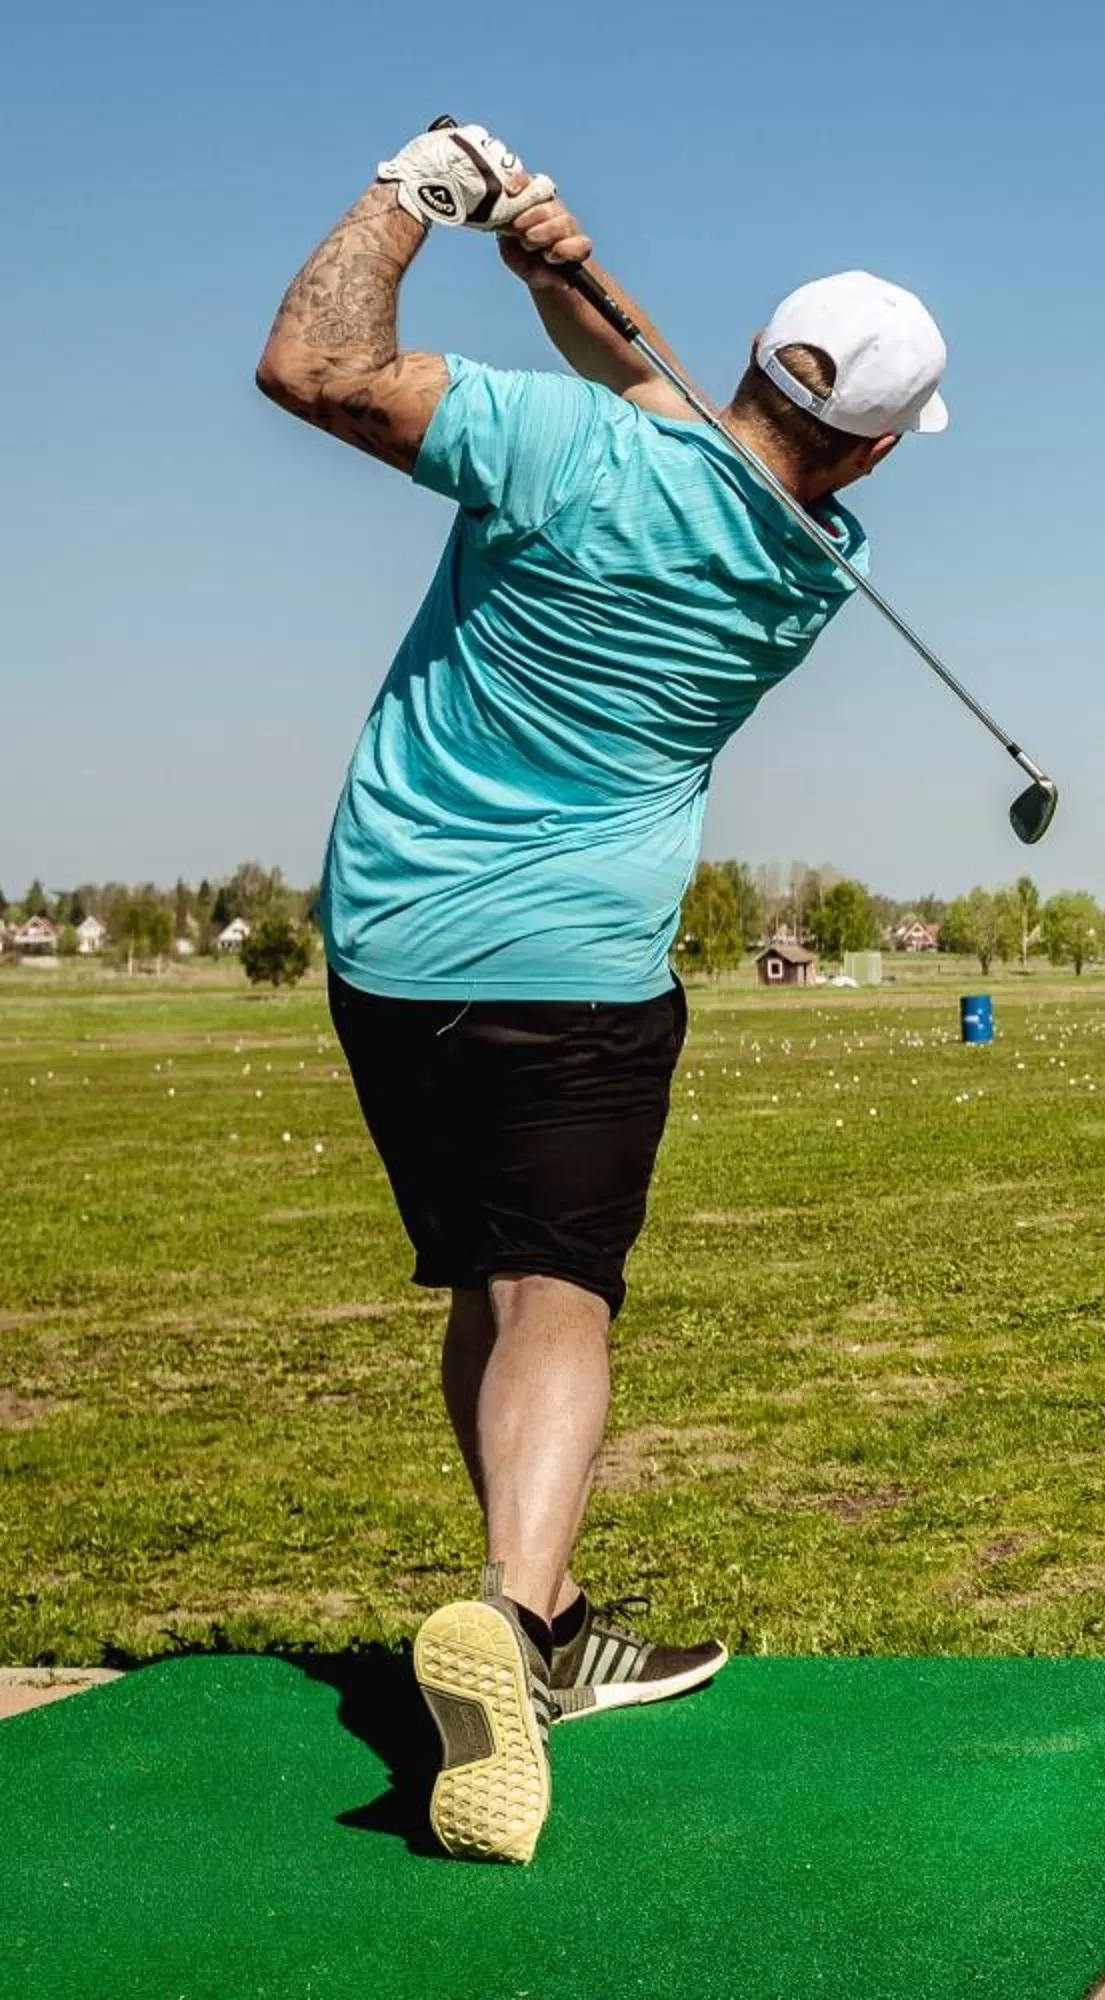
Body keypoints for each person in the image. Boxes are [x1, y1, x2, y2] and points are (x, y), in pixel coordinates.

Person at [255, 122, 953, 1864]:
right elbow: (690, 437)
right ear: (871, 444)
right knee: (553, 1285)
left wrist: (417, 197)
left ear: (742, 364)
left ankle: (544, 1626)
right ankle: (512, 1615)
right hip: (579, 967)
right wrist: (559, 269)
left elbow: (314, 363)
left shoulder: (567, 448)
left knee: (484, 1292)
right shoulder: (820, 569)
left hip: (388, 948)